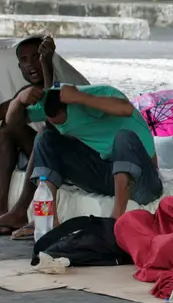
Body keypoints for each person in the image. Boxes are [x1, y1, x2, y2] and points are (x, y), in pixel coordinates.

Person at [5, 83, 163, 223]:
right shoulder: (50, 102)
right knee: (45, 137)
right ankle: (47, 219)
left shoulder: (97, 94)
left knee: (123, 137)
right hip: (105, 175)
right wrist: (18, 100)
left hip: (142, 181)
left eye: (62, 120)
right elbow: (12, 123)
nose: (60, 125)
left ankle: (116, 220)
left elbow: (126, 108)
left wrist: (79, 97)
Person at [0, 35, 56, 234]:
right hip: (37, 151)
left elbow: (54, 111)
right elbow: (8, 118)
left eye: (36, 56)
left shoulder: (63, 86)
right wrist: (19, 102)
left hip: (63, 153)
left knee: (45, 135)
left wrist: (47, 65)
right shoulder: (27, 91)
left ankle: (21, 211)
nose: (31, 64)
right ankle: (2, 209)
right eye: (24, 60)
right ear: (19, 67)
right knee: (6, 130)